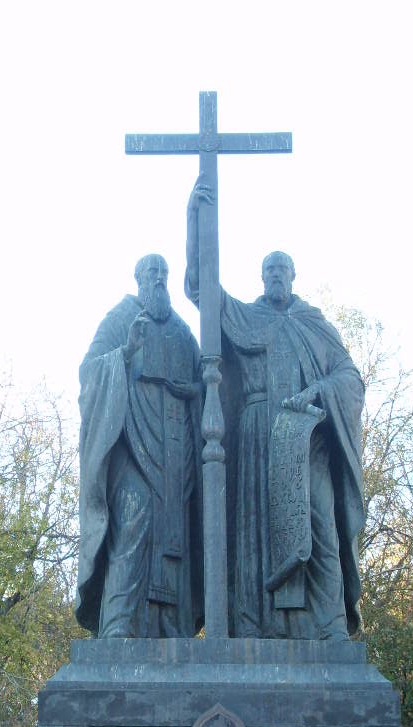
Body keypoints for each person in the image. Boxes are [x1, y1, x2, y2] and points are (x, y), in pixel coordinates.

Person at [186, 181, 365, 640]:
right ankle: (253, 627)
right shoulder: (248, 316)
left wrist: (317, 392)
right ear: (262, 278)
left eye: (282, 269)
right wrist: (195, 222)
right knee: (254, 532)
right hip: (256, 435)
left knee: (319, 521)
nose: (275, 276)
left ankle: (328, 627)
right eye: (269, 270)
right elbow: (205, 293)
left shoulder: (314, 324)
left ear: (294, 276)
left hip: (307, 439)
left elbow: (350, 378)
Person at [75, 254, 203, 638]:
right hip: (130, 447)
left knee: (173, 534)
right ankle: (118, 625)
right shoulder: (121, 318)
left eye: (164, 273)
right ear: (138, 279)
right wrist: (126, 352)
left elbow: (204, 382)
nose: (160, 279)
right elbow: (90, 370)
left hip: (175, 454)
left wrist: (192, 391)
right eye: (153, 273)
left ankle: (170, 628)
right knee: (135, 514)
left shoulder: (182, 332)